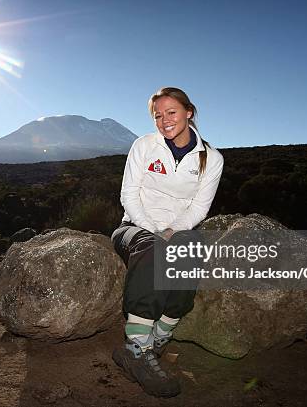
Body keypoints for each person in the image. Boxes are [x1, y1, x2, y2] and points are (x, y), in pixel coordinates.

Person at [110, 87, 224, 397]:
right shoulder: (144, 145)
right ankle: (135, 348)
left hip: (178, 229)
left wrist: (174, 230)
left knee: (191, 248)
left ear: (189, 112)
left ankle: (160, 335)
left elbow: (200, 208)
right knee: (154, 247)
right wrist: (151, 229)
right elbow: (128, 195)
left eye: (170, 112)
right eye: (157, 115)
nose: (164, 120)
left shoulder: (210, 159)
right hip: (133, 228)